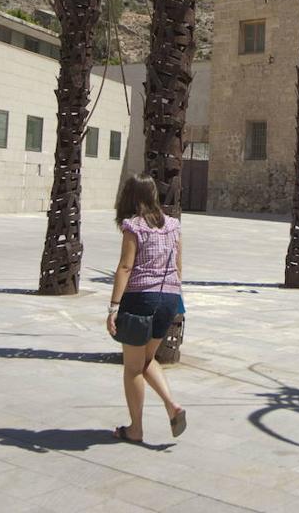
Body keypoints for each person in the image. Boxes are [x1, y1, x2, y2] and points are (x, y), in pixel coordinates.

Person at [108, 173, 187, 442]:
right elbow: (178, 266)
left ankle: (135, 429)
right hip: (169, 299)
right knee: (146, 360)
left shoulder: (134, 227)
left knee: (132, 368)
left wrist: (113, 307)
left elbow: (126, 266)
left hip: (141, 298)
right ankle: (171, 405)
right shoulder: (173, 225)